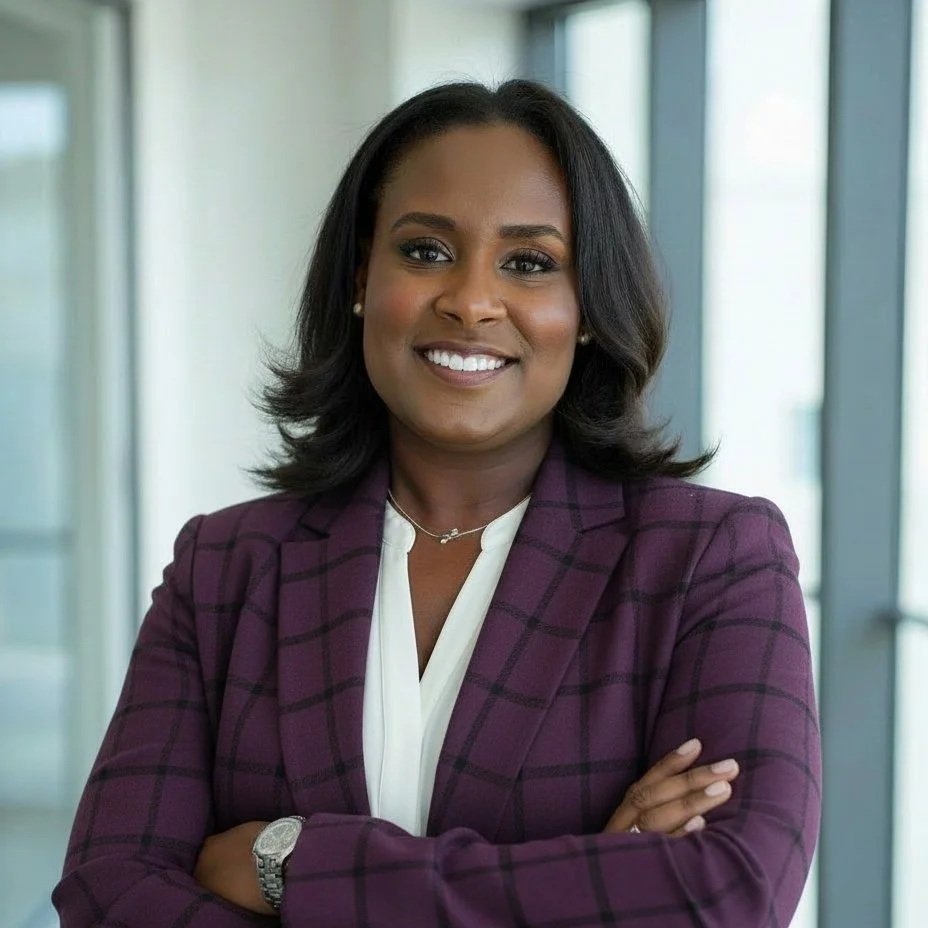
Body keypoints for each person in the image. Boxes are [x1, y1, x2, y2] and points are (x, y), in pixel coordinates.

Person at [53, 80, 820, 927]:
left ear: (589, 310)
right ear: (358, 280)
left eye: (529, 263)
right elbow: (107, 890)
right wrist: (593, 878)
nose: (471, 300)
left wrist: (293, 864)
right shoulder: (227, 568)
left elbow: (731, 891)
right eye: (424, 251)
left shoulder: (710, 558)